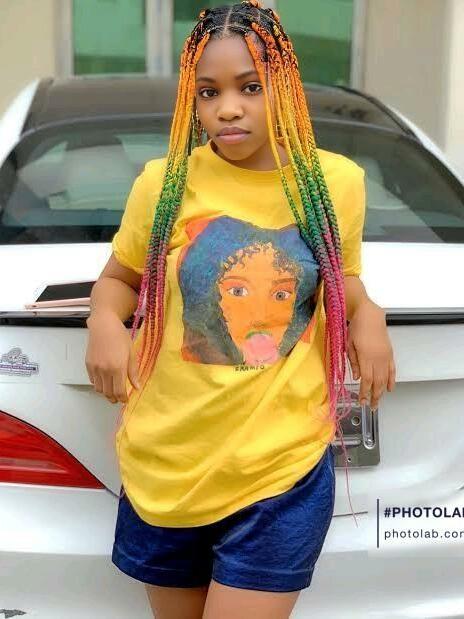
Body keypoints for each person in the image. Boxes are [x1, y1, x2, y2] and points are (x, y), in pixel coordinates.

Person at [85, 1, 396, 617]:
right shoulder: (163, 183)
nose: (228, 108)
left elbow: (341, 281)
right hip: (167, 464)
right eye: (209, 92)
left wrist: (368, 315)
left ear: (285, 85)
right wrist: (102, 320)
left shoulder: (334, 185)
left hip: (277, 471)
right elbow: (119, 280)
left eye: (250, 87)